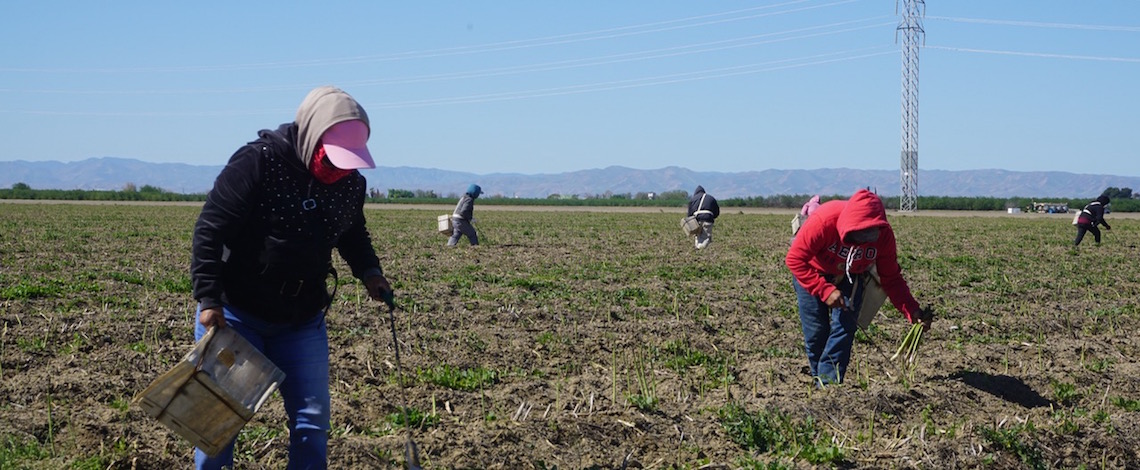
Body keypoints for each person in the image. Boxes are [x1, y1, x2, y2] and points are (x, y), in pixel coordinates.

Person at [190, 86, 393, 469]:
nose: (339, 170)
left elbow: (352, 232)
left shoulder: (351, 183)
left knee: (312, 423)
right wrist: (208, 299)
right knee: (219, 422)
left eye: (348, 162)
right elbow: (210, 230)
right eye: (332, 159)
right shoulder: (258, 163)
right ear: (312, 137)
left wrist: (369, 272)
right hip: (236, 315)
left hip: (302, 319)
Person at [785, 189, 930, 386]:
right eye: (858, 236)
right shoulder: (824, 221)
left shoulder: (884, 237)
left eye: (869, 236)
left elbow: (891, 278)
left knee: (845, 327)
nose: (863, 241)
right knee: (817, 330)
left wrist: (912, 310)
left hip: (851, 275)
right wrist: (824, 290)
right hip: (812, 271)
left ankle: (829, 384)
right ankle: (818, 379)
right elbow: (795, 260)